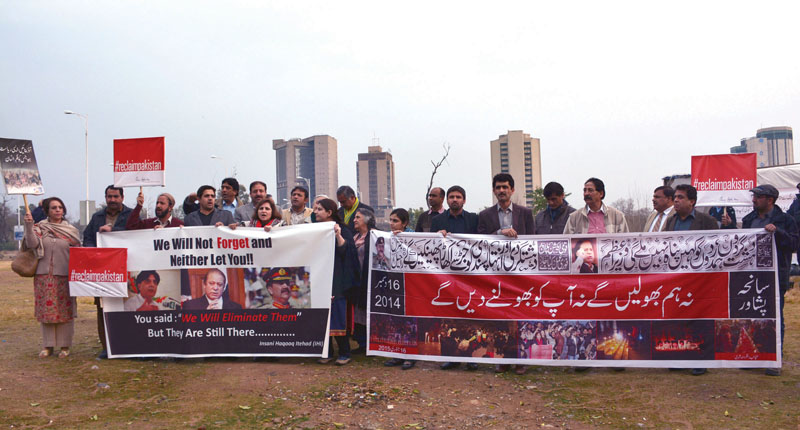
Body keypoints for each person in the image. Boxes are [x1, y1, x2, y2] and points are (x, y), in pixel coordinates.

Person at [724, 184, 798, 376]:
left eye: (758, 197)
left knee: (774, 317)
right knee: (752, 317)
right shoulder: (749, 219)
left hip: (775, 276)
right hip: (751, 277)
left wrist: (777, 232)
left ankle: (774, 359)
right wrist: (730, 226)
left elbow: (793, 244)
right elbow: (741, 243)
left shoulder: (785, 220)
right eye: (754, 196)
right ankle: (753, 355)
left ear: (770, 200)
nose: (754, 200)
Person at [664, 184, 718, 376]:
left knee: (700, 320)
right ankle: (681, 357)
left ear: (692, 201)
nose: (676, 200)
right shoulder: (670, 222)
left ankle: (701, 360)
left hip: (700, 280)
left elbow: (716, 249)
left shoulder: (707, 221)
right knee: (679, 319)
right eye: (675, 197)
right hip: (677, 280)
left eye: (680, 197)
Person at [23, 197, 81, 359]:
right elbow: (32, 244)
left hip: (65, 276)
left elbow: (79, 251)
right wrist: (28, 225)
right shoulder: (40, 227)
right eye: (54, 207)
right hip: (44, 276)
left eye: (60, 207)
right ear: (47, 211)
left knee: (65, 312)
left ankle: (65, 346)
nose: (57, 210)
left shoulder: (71, 231)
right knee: (47, 312)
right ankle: (48, 346)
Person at [83, 185, 133, 359]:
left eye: (115, 196)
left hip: (127, 267)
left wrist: (114, 231)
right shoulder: (97, 217)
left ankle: (129, 344)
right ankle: (107, 347)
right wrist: (95, 252)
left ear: (122, 197)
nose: (112, 200)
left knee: (127, 306)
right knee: (103, 308)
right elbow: (87, 238)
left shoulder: (131, 215)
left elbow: (138, 234)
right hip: (103, 271)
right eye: (109, 196)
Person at [313, 198, 360, 365]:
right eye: (315, 209)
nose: (315, 212)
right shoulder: (315, 229)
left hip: (338, 280)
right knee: (322, 317)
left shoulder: (343, 230)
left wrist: (338, 234)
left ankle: (344, 352)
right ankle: (327, 352)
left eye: (319, 209)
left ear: (329, 212)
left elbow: (346, 252)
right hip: (320, 278)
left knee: (338, 316)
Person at [564, 178, 629, 234]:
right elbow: (567, 243)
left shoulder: (617, 216)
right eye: (585, 190)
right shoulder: (574, 218)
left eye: (590, 190)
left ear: (601, 193)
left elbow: (626, 241)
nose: (586, 193)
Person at [478, 173, 534, 237]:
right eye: (498, 188)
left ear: (512, 190)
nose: (501, 190)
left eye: (505, 187)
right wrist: (500, 232)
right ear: (494, 191)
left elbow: (532, 238)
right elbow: (481, 240)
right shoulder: (484, 215)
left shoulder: (525, 213)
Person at [352, 208, 376, 352]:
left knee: (368, 311)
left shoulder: (375, 236)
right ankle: (362, 344)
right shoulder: (354, 238)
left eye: (358, 217)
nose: (354, 220)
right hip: (357, 281)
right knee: (359, 311)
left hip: (370, 281)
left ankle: (371, 344)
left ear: (366, 220)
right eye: (354, 217)